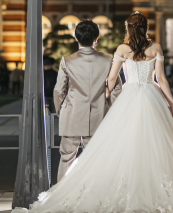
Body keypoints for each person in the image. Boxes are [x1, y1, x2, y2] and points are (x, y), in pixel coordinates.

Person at [13, 11, 173, 213]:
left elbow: (112, 79)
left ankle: (87, 190)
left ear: (129, 28)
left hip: (129, 96)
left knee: (119, 147)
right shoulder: (155, 48)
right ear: (145, 28)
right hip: (152, 97)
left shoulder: (122, 50)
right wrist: (171, 102)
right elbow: (161, 79)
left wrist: (102, 95)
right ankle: (155, 188)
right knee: (158, 147)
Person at [51, 19, 122, 181]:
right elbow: (116, 89)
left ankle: (62, 195)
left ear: (76, 38)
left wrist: (60, 111)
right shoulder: (107, 60)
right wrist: (111, 110)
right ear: (96, 38)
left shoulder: (67, 61)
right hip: (98, 115)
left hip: (72, 114)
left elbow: (58, 90)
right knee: (96, 159)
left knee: (67, 157)